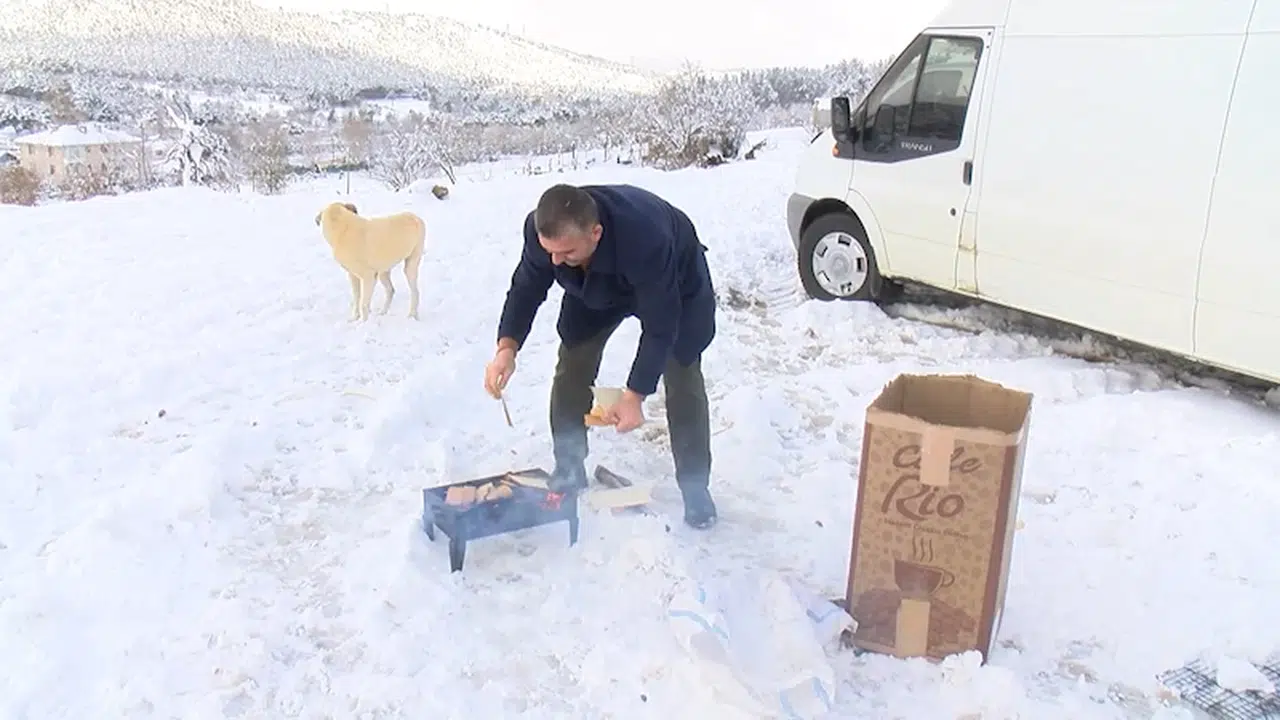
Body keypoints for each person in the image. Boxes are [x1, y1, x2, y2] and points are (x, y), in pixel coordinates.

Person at [483, 183, 719, 530]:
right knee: (573, 360)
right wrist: (507, 348)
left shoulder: (646, 238)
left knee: (682, 370)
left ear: (595, 233)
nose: (554, 261)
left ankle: (696, 487)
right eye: (550, 252)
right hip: (594, 286)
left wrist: (635, 395)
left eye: (566, 252)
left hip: (674, 283)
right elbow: (526, 288)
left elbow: (661, 325)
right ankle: (568, 466)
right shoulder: (545, 233)